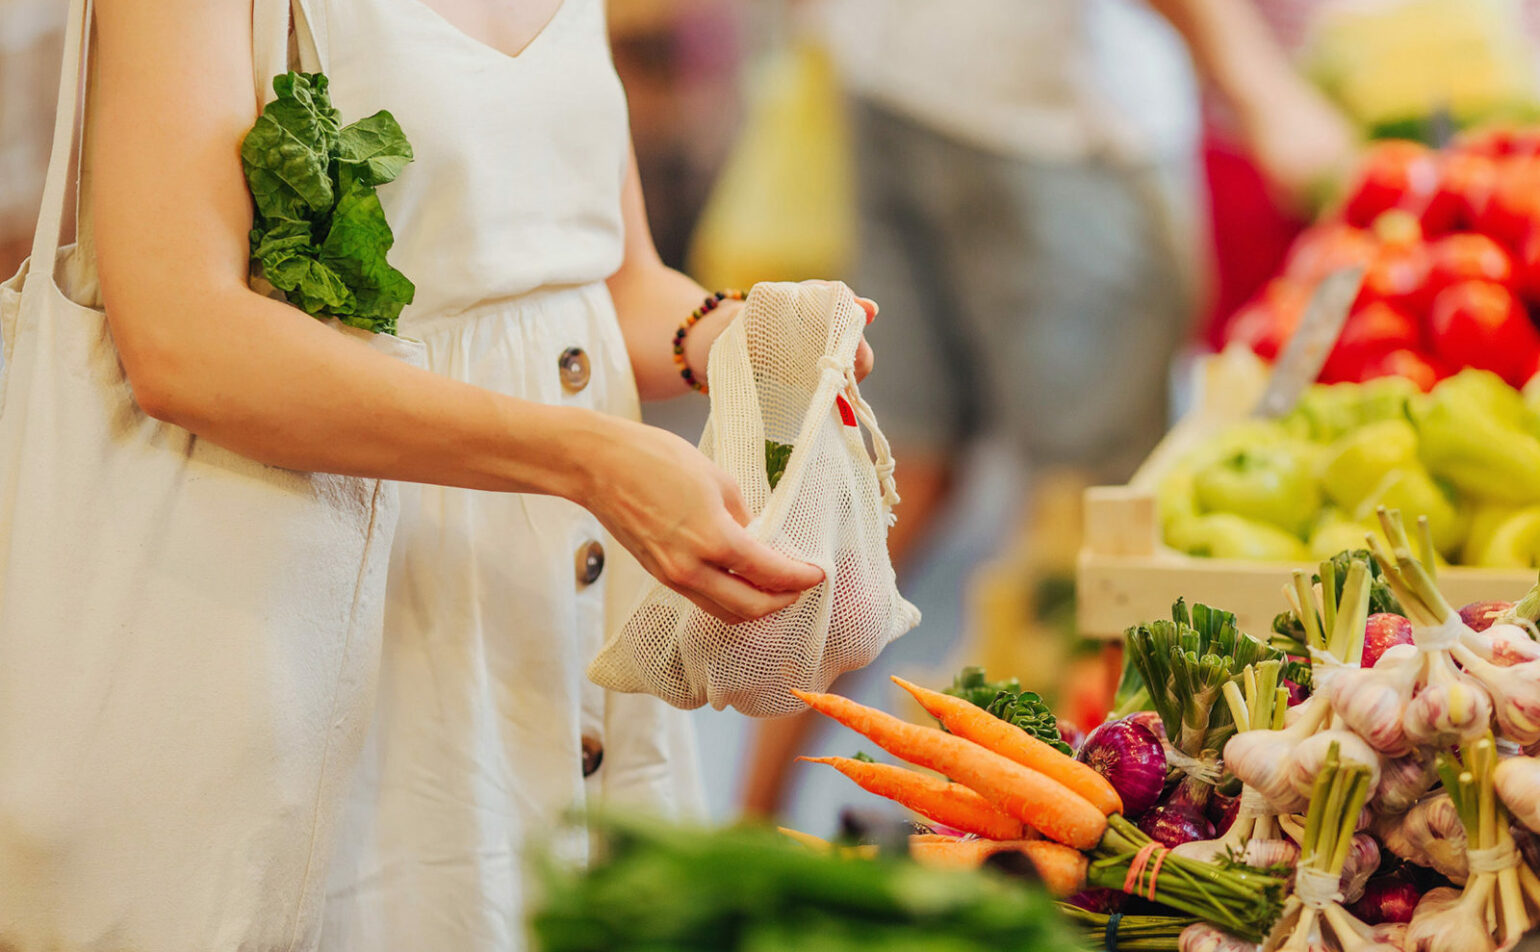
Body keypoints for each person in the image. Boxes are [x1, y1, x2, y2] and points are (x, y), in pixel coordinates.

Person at [0, 1, 873, 950]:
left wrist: (741, 335)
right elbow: (181, 340)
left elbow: (601, 288)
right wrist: (581, 458)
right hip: (318, 629)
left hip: (546, 628)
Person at [740, 0, 1357, 818]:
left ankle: (747, 814)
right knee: (1094, 527)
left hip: (885, 69)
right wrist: (1259, 86)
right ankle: (1059, 844)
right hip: (1052, 128)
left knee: (891, 479)